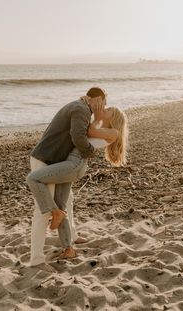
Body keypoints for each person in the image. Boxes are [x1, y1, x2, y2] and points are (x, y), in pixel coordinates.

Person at [27, 98, 128, 271]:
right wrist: (95, 115)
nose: (104, 108)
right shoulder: (103, 129)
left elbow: (85, 131)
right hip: (71, 164)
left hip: (74, 164)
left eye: (108, 110)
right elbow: (84, 131)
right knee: (63, 203)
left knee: (33, 179)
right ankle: (69, 248)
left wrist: (95, 115)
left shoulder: (113, 133)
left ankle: (53, 212)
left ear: (114, 119)